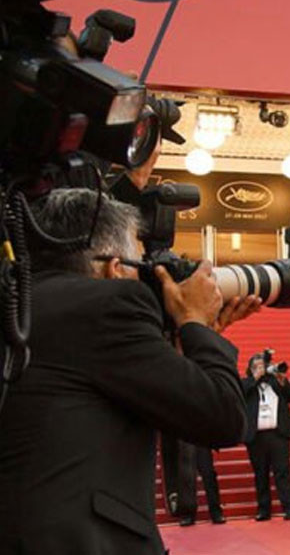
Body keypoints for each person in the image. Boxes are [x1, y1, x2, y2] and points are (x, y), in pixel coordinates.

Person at [0, 188, 251, 554]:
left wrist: (190, 343)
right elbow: (223, 417)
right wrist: (196, 322)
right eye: (140, 267)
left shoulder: (22, 306)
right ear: (114, 267)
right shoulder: (105, 305)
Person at [242, 353, 290, 521]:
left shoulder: (275, 381)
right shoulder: (246, 383)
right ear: (251, 369)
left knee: (282, 472)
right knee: (260, 474)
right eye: (257, 366)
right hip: (256, 437)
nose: (261, 369)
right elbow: (240, 393)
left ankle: (289, 507)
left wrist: (282, 380)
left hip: (278, 434)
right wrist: (255, 378)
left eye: (263, 366)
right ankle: (264, 509)